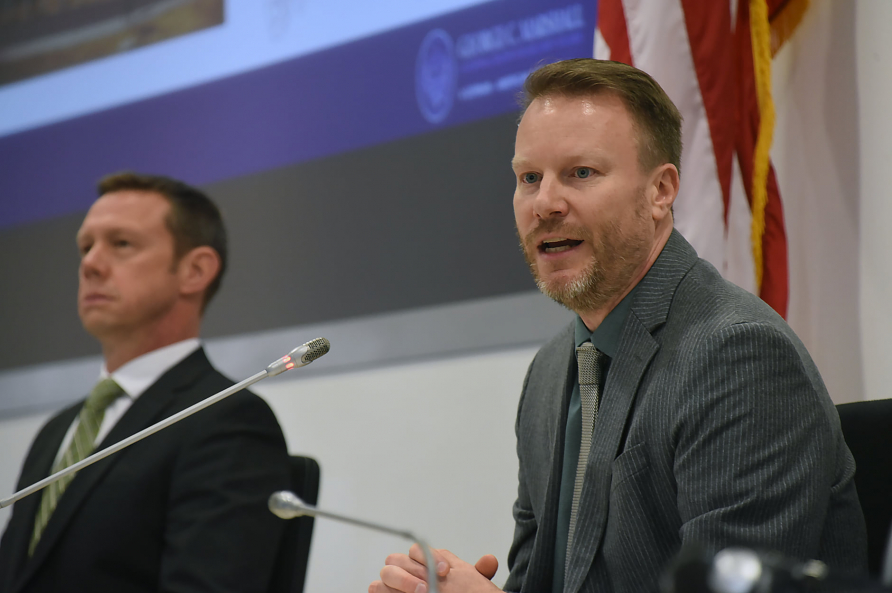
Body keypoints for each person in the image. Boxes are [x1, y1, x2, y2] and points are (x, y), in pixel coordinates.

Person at [369, 59, 867, 593]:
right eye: (529, 178)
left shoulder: (737, 355)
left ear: (661, 191)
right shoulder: (551, 371)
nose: (546, 203)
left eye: (581, 173)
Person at [0, 173, 292, 593]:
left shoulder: (227, 421)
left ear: (195, 270)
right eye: (86, 247)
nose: (90, 264)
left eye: (121, 244)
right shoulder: (58, 431)